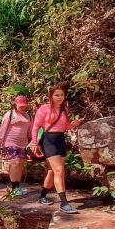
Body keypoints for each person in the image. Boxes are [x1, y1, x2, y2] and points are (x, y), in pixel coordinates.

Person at [31, 82, 82, 213]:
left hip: (60, 139)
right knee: (59, 170)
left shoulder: (64, 110)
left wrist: (73, 124)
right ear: (51, 96)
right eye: (57, 95)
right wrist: (34, 143)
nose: (60, 97)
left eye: (62, 95)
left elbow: (64, 127)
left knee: (53, 171)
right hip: (48, 140)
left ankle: (42, 196)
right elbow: (36, 126)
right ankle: (64, 203)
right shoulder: (44, 108)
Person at [0, 95, 32, 196]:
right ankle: (14, 188)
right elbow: (3, 129)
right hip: (11, 142)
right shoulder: (10, 114)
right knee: (15, 163)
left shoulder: (28, 116)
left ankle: (18, 187)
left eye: (24, 105)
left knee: (20, 164)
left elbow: (30, 131)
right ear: (15, 104)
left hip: (23, 143)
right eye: (20, 106)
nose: (22, 107)